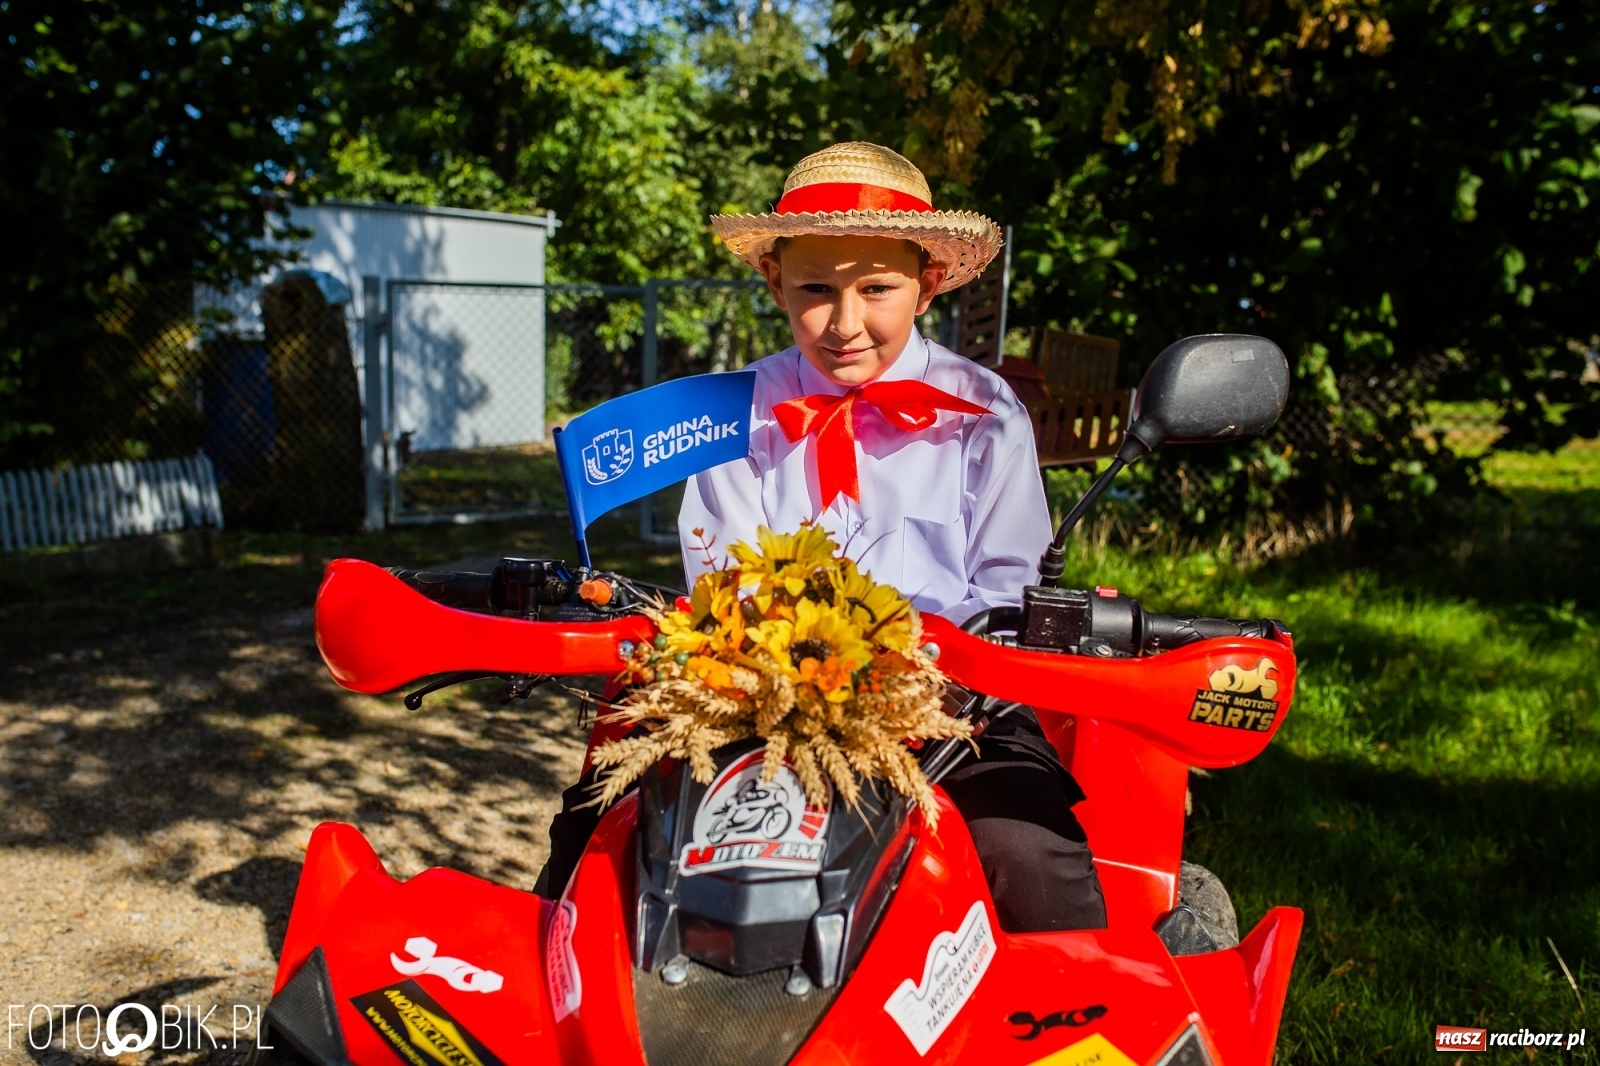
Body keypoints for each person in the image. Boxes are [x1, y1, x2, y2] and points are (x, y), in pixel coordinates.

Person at [537, 141, 1105, 933]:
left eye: (877, 288)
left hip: (952, 700)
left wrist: (915, 678)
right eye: (813, 289)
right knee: (599, 826)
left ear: (927, 282)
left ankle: (1066, 1029)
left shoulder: (986, 412)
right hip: (758, 695)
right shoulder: (733, 414)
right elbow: (720, 579)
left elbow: (1008, 592)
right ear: (774, 282)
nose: (844, 323)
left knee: (1029, 852)